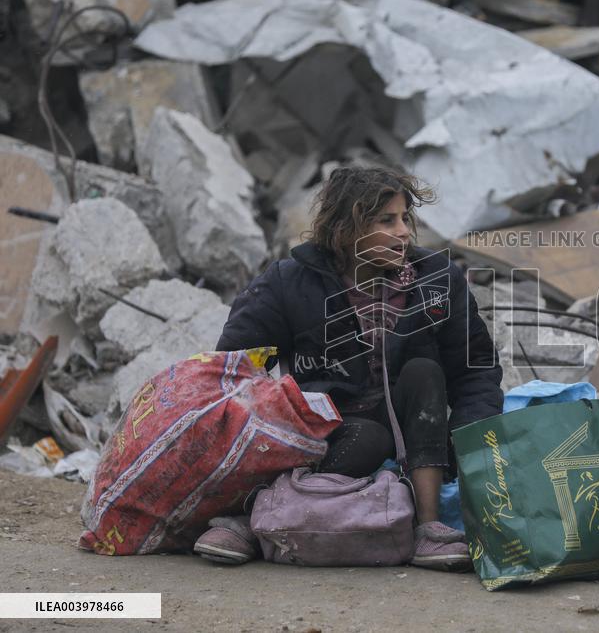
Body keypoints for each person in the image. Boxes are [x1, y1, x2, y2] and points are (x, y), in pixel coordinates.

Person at [193, 167, 503, 570]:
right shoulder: (291, 282)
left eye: (405, 218)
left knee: (425, 371)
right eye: (386, 220)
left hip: (414, 433)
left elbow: (475, 371)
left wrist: (478, 451)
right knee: (365, 437)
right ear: (346, 229)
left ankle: (429, 527)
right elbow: (235, 371)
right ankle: (253, 516)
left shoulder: (438, 280)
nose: (404, 231)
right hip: (319, 429)